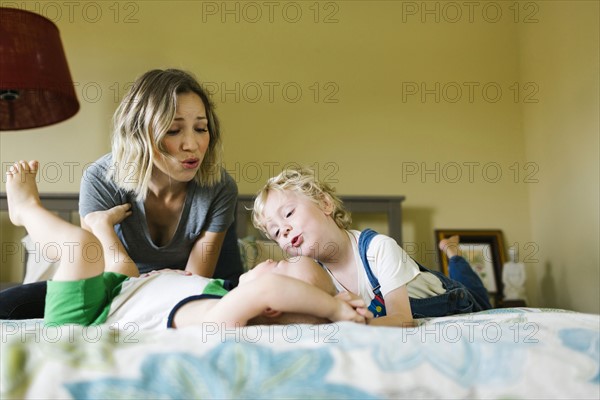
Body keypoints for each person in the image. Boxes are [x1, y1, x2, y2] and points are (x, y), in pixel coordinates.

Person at [4, 160, 369, 329]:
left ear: (271, 306)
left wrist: (333, 310)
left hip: (84, 319)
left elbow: (268, 288)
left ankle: (25, 210)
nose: (278, 260)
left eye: (286, 265)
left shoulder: (222, 317)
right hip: (127, 288)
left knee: (82, 247)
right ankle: (102, 225)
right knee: (124, 266)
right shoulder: (219, 294)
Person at [0, 69, 243, 320]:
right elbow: (101, 273)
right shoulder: (101, 179)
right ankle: (26, 210)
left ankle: (27, 209)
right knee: (6, 305)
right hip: (113, 285)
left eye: (201, 128)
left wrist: (103, 227)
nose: (192, 144)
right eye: (173, 130)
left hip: (183, 290)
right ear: (139, 133)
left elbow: (195, 282)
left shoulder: (219, 187)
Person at [251, 166, 493, 327]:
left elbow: (403, 320)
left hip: (458, 300)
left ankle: (453, 254)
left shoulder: (377, 249)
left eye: (289, 213)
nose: (283, 230)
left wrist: (353, 323)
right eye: (275, 232)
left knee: (475, 290)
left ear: (325, 204)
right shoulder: (314, 277)